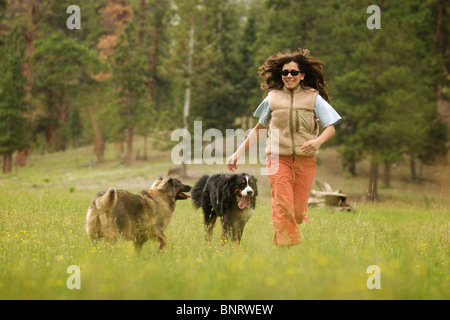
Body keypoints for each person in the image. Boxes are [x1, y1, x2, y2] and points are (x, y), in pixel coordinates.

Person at [226, 49, 341, 246]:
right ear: (281, 75)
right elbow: (259, 128)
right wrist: (236, 154)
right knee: (282, 204)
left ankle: (294, 223)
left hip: (306, 160)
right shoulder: (272, 97)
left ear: (302, 75)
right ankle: (284, 250)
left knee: (295, 213)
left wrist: (317, 141)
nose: (289, 76)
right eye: (285, 72)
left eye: (294, 72)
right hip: (277, 157)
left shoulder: (313, 97)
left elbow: (330, 127)